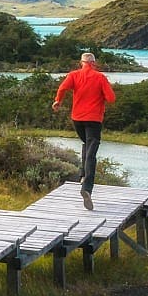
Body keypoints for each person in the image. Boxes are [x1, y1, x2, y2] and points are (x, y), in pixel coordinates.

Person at [52, 51, 116, 210]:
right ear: (94, 63)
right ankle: (87, 188)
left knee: (85, 144)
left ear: (81, 62)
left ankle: (82, 175)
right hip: (94, 119)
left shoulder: (73, 75)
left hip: (77, 119)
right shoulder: (100, 77)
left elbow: (62, 88)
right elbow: (111, 98)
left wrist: (57, 101)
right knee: (91, 152)